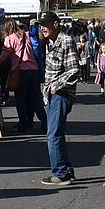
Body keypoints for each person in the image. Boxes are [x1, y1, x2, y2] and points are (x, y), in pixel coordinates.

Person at [40, 13, 83, 187]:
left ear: (56, 24)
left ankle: (60, 174)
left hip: (61, 94)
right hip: (52, 95)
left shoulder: (65, 41)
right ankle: (66, 170)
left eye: (45, 24)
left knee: (53, 136)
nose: (42, 28)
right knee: (56, 134)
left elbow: (74, 70)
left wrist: (55, 86)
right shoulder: (49, 42)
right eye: (41, 25)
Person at [0, 19, 45, 132]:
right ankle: (45, 122)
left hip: (20, 71)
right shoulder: (26, 35)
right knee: (35, 98)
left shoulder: (9, 39)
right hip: (34, 69)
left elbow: (3, 58)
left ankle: (22, 124)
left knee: (20, 99)